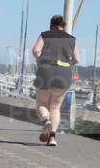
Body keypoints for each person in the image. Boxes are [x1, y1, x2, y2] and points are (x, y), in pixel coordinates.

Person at [32, 15, 80, 147]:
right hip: (64, 74)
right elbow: (77, 59)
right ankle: (52, 138)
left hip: (45, 72)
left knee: (41, 104)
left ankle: (46, 121)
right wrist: (67, 64)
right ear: (63, 26)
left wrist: (40, 59)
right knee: (55, 107)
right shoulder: (71, 39)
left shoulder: (45, 35)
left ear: (51, 25)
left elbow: (36, 50)